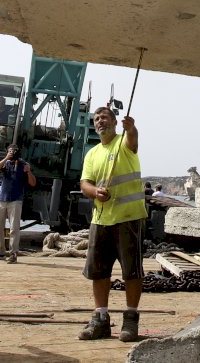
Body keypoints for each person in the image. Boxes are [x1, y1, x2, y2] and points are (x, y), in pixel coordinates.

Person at [78, 106, 145, 343]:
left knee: (132, 271)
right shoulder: (92, 153)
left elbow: (133, 142)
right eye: (96, 119)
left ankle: (131, 318)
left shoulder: (123, 142)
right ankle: (101, 319)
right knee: (99, 271)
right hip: (101, 220)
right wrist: (95, 192)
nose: (99, 121)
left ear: (115, 122)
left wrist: (132, 128)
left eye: (104, 117)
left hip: (128, 218)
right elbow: (84, 183)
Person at [0, 144, 36, 263]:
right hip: (1, 199)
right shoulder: (5, 163)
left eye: (14, 151)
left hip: (15, 200)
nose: (12, 153)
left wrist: (28, 171)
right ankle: (0, 252)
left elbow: (33, 183)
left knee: (14, 228)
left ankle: (13, 253)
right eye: (10, 151)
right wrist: (6, 158)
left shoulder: (24, 165)